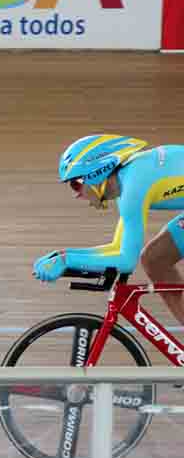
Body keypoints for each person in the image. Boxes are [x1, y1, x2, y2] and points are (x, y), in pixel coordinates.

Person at [34, 134, 184, 323]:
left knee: (154, 258)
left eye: (75, 185)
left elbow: (126, 261)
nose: (76, 195)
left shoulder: (133, 188)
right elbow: (117, 249)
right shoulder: (128, 182)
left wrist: (67, 261)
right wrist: (64, 255)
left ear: (94, 173)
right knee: (155, 260)